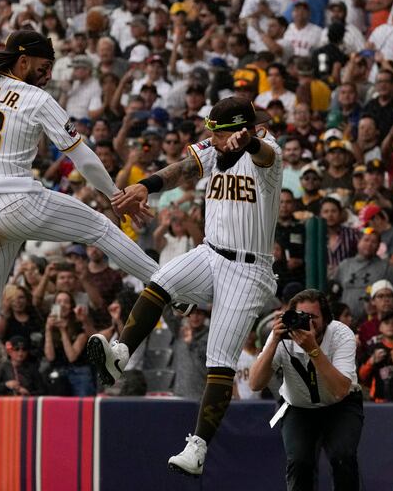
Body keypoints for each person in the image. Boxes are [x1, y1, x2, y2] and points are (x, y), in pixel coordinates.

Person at [0, 30, 159, 337]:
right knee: (101, 227)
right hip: (18, 202)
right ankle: (165, 283)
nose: (48, 74)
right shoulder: (36, 99)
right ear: (23, 60)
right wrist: (113, 194)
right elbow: (83, 157)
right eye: (43, 66)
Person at [90, 96, 281, 476]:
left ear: (243, 128)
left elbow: (265, 157)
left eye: (219, 130)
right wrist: (146, 185)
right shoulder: (216, 147)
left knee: (219, 358)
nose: (212, 136)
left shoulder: (267, 148)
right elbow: (181, 169)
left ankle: (198, 447)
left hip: (248, 269)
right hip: (211, 253)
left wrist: (249, 143)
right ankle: (121, 353)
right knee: (160, 280)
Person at [248, 289, 363, 490]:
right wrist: (274, 341)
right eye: (300, 316)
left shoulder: (341, 334)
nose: (305, 322)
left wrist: (313, 350)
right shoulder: (283, 335)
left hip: (340, 404)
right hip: (297, 406)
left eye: (312, 317)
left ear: (326, 318)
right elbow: (255, 383)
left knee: (343, 456)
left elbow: (340, 389)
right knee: (299, 462)